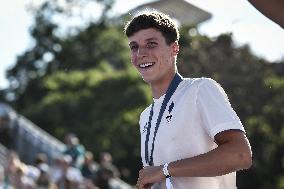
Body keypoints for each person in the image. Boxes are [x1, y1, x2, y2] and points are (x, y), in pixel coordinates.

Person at [124, 11, 252, 189]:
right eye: (134, 46)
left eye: (151, 44)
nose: (141, 53)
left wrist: (165, 169)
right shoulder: (145, 116)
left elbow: (240, 155)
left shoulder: (200, 89)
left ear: (174, 48)